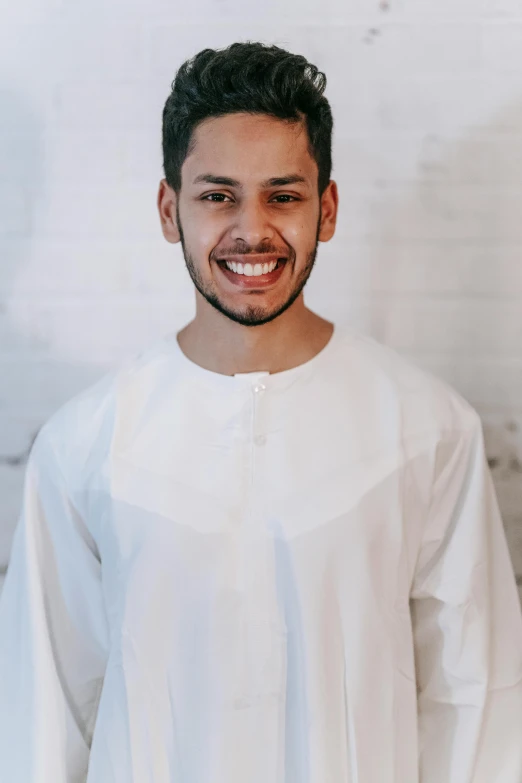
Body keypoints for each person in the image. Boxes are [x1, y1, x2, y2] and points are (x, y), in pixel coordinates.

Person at [1, 41, 521, 783]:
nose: (253, 230)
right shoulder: (85, 446)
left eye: (283, 194)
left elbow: (475, 707)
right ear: (168, 209)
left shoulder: (427, 430)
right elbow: (44, 719)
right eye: (217, 195)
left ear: (327, 208)